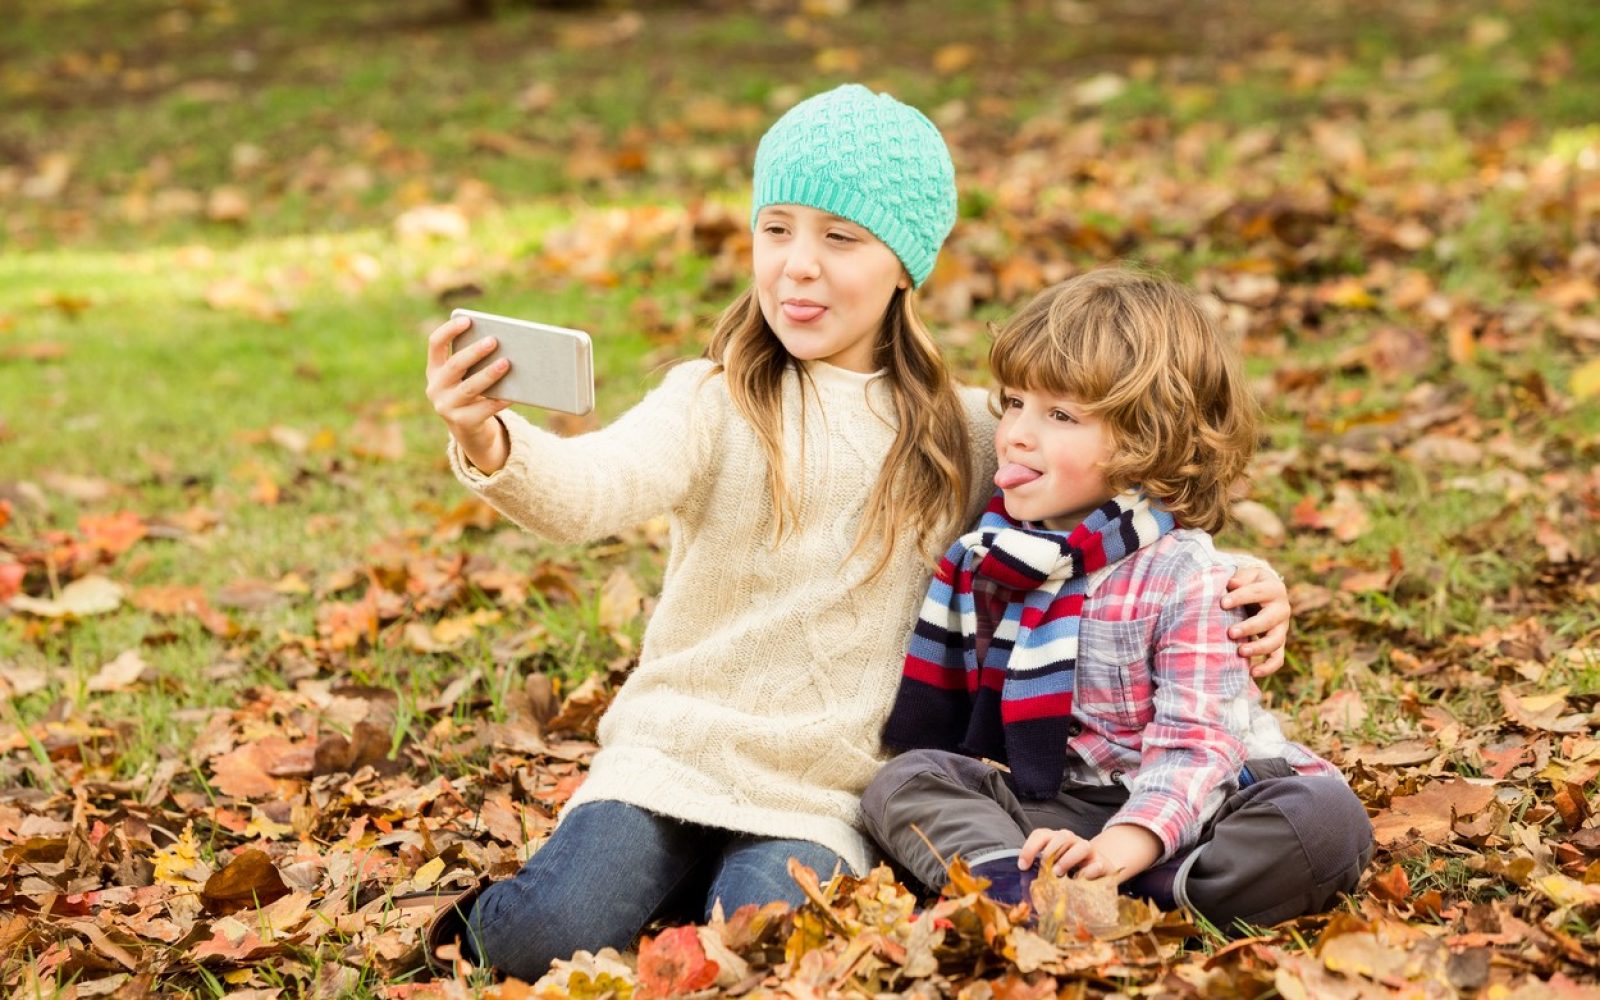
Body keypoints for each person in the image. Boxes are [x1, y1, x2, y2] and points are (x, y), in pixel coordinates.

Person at [422, 87, 1294, 981]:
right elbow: (589, 490)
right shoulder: (711, 403)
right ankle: (627, 886)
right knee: (535, 937)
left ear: (905, 266)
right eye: (775, 229)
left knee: (768, 953)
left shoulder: (969, 433)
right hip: (671, 757)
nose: (798, 266)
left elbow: (1111, 519)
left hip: (827, 792)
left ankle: (680, 901)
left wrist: (1240, 583)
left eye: (840, 238)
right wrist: (489, 438)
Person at [863, 267, 1373, 933]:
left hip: (1208, 801)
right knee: (907, 781)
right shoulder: (996, 552)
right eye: (1014, 402)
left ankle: (1146, 890)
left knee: (1323, 822)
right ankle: (1020, 888)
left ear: (1145, 440)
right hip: (1070, 802)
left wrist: (1122, 848)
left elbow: (1199, 747)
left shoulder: (1188, 577)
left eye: (1060, 415)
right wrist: (1086, 839)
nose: (1015, 435)